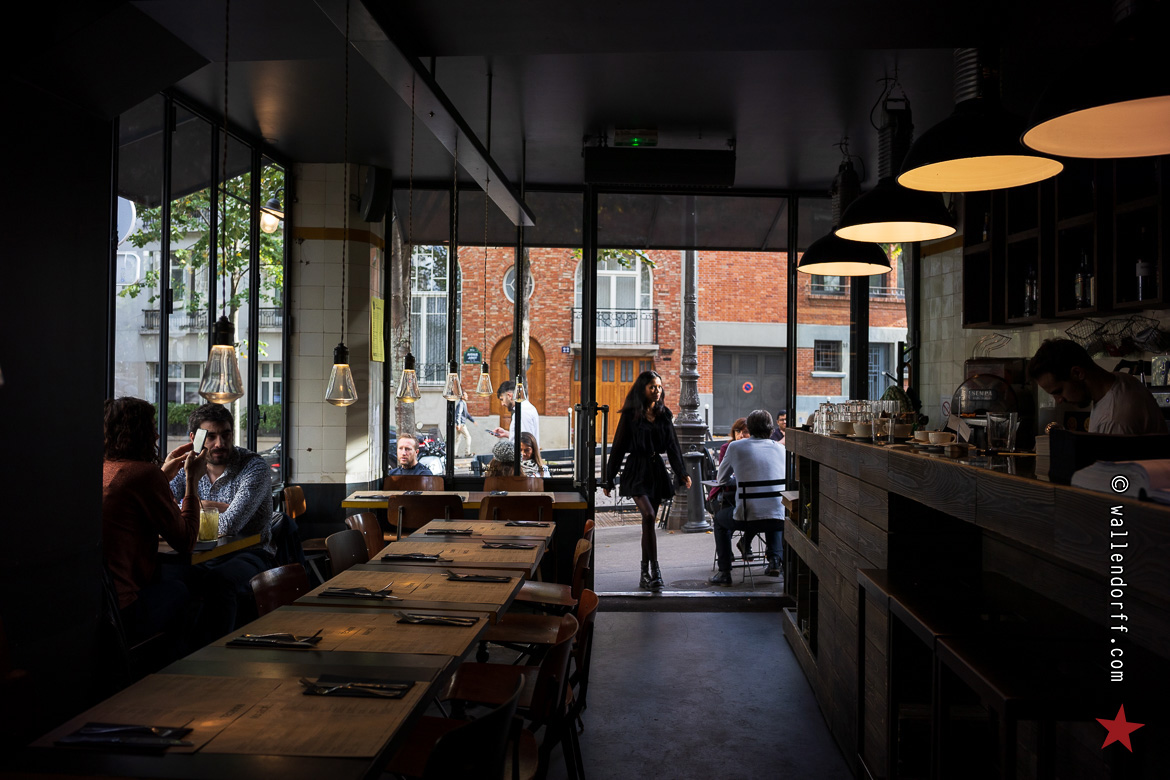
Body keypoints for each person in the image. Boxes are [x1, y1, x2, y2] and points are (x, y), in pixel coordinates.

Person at [102, 397, 207, 644]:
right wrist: (192, 480)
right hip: (124, 610)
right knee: (192, 588)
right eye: (152, 428)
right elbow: (186, 541)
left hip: (98, 606)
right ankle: (174, 664)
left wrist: (162, 476)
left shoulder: (104, 468)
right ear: (141, 434)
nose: (157, 436)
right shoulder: (144, 475)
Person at [168, 403, 275, 642]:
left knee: (220, 581)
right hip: (201, 555)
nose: (220, 443)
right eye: (211, 436)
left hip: (252, 553)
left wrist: (189, 507)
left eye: (226, 434)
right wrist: (211, 505)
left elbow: (229, 525)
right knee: (168, 577)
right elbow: (164, 508)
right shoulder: (186, 465)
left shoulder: (253, 466)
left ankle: (216, 651)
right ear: (194, 438)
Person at [603, 370, 691, 590]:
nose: (657, 390)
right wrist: (608, 478)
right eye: (652, 386)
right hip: (636, 469)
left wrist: (682, 473)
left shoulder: (664, 414)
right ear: (642, 389)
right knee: (649, 515)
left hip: (656, 471)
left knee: (648, 524)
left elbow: (672, 446)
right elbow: (619, 447)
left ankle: (646, 573)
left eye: (659, 387)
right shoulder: (630, 415)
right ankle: (655, 570)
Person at [1027, 338, 1168, 435]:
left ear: (1077, 373)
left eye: (1058, 391)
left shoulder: (1113, 419)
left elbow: (1112, 471)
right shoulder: (1122, 380)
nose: (1059, 400)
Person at [709, 409, 786, 584]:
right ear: (770, 429)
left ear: (750, 428)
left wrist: (741, 479)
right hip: (779, 519)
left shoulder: (735, 447)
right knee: (771, 512)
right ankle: (775, 561)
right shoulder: (781, 449)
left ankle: (724, 572)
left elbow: (721, 480)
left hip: (747, 518)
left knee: (720, 520)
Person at [489, 380, 541, 445]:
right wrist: (506, 434)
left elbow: (525, 442)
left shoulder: (522, 411)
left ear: (510, 396)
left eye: (502, 399)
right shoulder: (526, 408)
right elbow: (523, 436)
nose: (502, 404)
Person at [454, 391, 476, 457]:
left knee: (457, 439)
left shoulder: (463, 403)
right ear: (462, 396)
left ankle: (454, 453)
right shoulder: (461, 404)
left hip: (460, 424)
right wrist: (458, 424)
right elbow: (458, 414)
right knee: (468, 437)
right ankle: (467, 453)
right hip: (461, 424)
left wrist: (472, 420)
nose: (467, 396)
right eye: (466, 395)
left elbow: (466, 414)